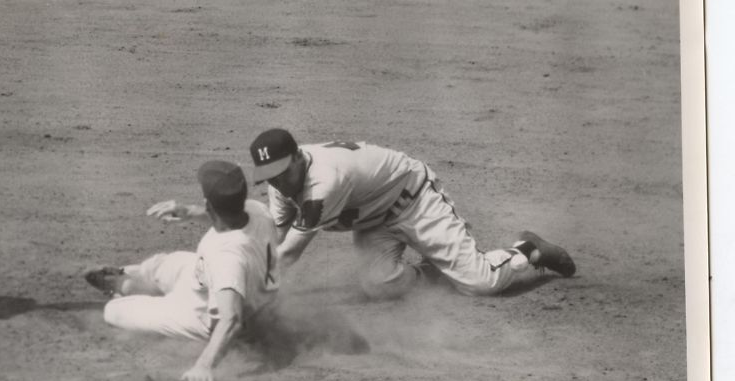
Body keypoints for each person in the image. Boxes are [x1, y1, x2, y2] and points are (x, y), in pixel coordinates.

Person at [241, 128, 576, 300]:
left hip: (416, 203)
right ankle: (440, 271)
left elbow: (287, 255)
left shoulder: (324, 183)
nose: (277, 182)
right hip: (374, 222)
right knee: (379, 287)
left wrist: (246, 292)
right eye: (269, 175)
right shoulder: (280, 184)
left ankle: (527, 250)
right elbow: (275, 238)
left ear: (298, 157)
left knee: (481, 284)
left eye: (282, 172)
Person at [85, 160, 280, 381]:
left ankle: (128, 291)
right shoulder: (257, 209)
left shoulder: (228, 258)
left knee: (113, 312)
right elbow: (227, 216)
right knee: (165, 263)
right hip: (206, 278)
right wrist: (188, 211)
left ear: (208, 202)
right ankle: (130, 282)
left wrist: (204, 366)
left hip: (199, 313)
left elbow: (231, 319)